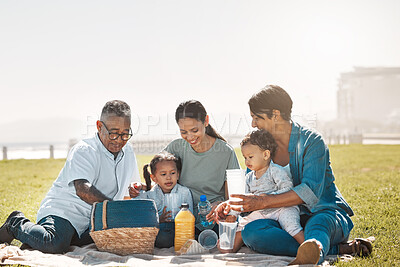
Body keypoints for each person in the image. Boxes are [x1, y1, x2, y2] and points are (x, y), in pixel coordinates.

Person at [212, 85, 373, 265]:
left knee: (318, 224)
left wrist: (262, 201)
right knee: (252, 232)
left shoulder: (312, 141)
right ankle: (333, 249)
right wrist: (232, 205)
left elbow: (310, 191)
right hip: (279, 219)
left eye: (257, 118)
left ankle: (315, 248)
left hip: (322, 212)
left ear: (275, 114)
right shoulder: (260, 145)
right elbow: (253, 189)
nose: (253, 124)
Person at [0, 100, 140, 254]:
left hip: (95, 218)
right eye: (114, 133)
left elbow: (130, 191)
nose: (119, 140)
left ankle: (34, 240)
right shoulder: (84, 150)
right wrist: (113, 208)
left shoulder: (128, 152)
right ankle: (15, 223)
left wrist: (137, 192)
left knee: (112, 240)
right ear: (99, 126)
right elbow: (83, 189)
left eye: (125, 134)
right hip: (66, 211)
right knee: (54, 243)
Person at [219, 129, 305, 253]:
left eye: (250, 157)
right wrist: (233, 214)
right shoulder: (249, 178)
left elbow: (288, 189)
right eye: (245, 157)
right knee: (243, 224)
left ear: (265, 155)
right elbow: (243, 199)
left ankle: (309, 246)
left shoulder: (275, 171)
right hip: (261, 211)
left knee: (291, 226)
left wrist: (268, 197)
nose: (247, 161)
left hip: (282, 207)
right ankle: (230, 247)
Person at [165, 100, 240, 234]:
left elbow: (233, 198)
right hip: (182, 216)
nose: (190, 137)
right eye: (184, 132)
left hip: (213, 217)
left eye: (194, 130)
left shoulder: (225, 152)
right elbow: (157, 175)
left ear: (206, 121)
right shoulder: (175, 147)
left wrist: (220, 204)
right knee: (163, 237)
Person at [129, 151, 193, 248]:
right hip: (160, 229)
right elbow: (139, 214)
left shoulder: (184, 192)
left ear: (178, 175)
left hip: (180, 229)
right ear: (154, 178)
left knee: (193, 234)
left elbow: (191, 216)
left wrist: (183, 214)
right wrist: (159, 219)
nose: (168, 177)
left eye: (172, 173)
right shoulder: (150, 194)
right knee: (162, 238)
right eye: (163, 174)